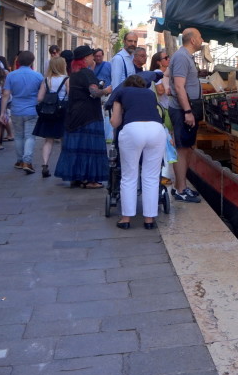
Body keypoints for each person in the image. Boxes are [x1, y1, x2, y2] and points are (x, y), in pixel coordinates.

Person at [109, 74, 168, 229]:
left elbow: (115, 122)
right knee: (151, 177)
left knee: (129, 175)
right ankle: (149, 220)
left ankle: (126, 219)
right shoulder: (150, 94)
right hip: (156, 130)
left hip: (132, 131)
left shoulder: (121, 93)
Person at [55, 45, 111, 188]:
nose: (94, 58)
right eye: (92, 56)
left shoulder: (74, 75)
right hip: (89, 115)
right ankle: (91, 180)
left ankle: (77, 177)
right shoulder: (87, 73)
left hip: (74, 115)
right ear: (86, 58)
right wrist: (106, 90)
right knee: (90, 148)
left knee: (78, 147)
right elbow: (94, 92)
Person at [167, 28, 203, 203]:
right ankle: (181, 189)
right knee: (182, 149)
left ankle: (182, 187)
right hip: (182, 110)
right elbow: (179, 86)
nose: (202, 39)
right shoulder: (182, 57)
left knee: (186, 147)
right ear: (193, 40)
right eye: (200, 37)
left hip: (186, 108)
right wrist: (187, 111)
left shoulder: (185, 56)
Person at [1, 51, 45, 174]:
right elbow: (41, 95)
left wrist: (2, 112)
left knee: (19, 136)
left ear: (18, 61)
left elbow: (5, 94)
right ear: (32, 61)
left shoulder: (11, 75)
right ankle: (27, 161)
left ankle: (20, 160)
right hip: (32, 110)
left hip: (16, 109)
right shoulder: (38, 76)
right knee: (30, 136)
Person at [33, 56, 69, 178]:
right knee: (64, 140)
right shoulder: (66, 80)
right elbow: (71, 96)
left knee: (48, 141)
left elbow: (39, 98)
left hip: (48, 113)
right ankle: (64, 165)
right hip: (62, 112)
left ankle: (45, 165)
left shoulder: (46, 80)